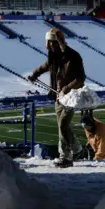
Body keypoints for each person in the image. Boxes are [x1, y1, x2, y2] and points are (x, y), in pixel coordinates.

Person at [28, 28, 85, 168]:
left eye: (54, 43)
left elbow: (81, 78)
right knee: (62, 126)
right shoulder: (53, 57)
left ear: (60, 41)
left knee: (63, 125)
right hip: (57, 97)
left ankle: (66, 157)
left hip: (71, 97)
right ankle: (77, 149)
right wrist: (34, 74)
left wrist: (67, 88)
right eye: (49, 43)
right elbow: (45, 66)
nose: (51, 46)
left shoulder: (73, 56)